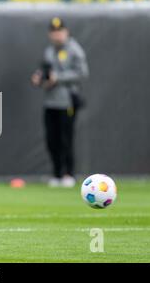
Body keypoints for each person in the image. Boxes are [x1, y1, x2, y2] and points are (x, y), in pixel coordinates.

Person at [31, 17, 89, 188]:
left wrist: (59, 78)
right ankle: (56, 174)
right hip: (50, 102)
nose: (57, 35)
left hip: (67, 102)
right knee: (51, 139)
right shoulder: (49, 51)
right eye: (54, 32)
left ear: (66, 32)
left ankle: (68, 174)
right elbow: (46, 71)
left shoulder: (74, 50)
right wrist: (39, 77)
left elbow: (82, 73)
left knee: (66, 139)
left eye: (60, 31)